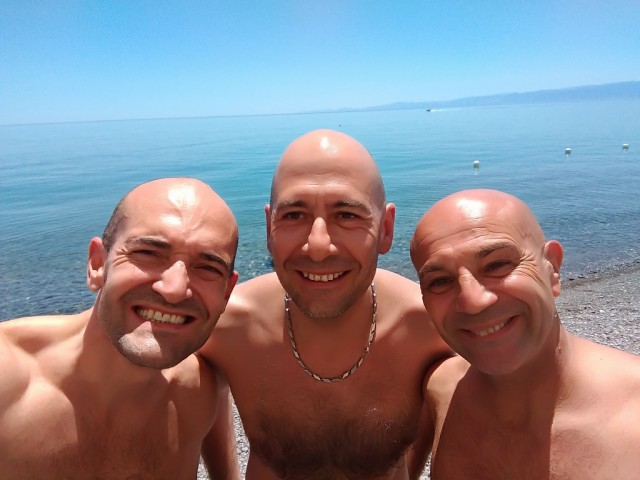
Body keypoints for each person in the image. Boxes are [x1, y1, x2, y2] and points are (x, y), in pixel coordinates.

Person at [201, 129, 452, 479]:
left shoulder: (432, 329)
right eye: (294, 215)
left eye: (347, 215)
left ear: (386, 229)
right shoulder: (222, 327)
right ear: (269, 228)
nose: (318, 247)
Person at [0, 178, 241, 479]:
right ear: (97, 264)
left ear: (227, 292)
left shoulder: (199, 390)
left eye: (208, 267)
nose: (174, 289)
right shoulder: (9, 379)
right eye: (148, 253)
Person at [409, 189, 640, 479]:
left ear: (552, 269)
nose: (473, 301)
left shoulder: (632, 416)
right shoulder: (440, 390)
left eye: (497, 265)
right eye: (440, 281)